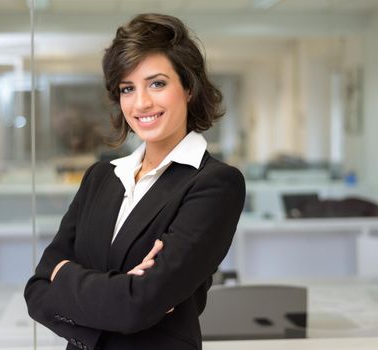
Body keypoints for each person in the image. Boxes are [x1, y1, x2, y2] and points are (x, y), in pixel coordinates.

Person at [24, 13, 245, 350]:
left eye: (157, 83)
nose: (141, 102)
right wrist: (121, 289)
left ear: (188, 87)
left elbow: (137, 305)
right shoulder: (101, 177)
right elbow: (37, 289)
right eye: (128, 88)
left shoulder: (215, 185)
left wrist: (66, 276)